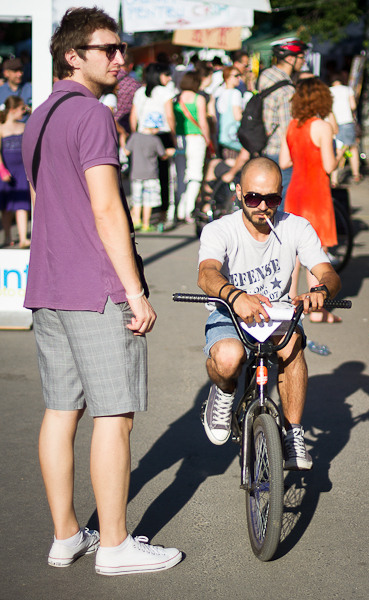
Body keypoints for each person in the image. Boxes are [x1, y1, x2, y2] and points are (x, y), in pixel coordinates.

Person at [21, 7, 182, 576]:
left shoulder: (40, 115)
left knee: (60, 410)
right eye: (108, 49)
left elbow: (42, 200)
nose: (120, 59)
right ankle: (114, 544)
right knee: (114, 415)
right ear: (73, 56)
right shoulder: (91, 114)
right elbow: (107, 207)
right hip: (96, 285)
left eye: (122, 49)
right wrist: (134, 290)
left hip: (49, 282)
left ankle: (66, 535)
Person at [197, 157, 341, 469]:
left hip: (277, 314)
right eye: (253, 198)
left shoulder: (296, 227)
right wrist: (236, 296)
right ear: (239, 192)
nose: (262, 206)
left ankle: (293, 433)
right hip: (230, 311)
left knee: (293, 346)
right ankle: (223, 392)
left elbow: (329, 274)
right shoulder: (220, 230)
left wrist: (320, 291)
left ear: (281, 195)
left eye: (272, 199)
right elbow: (206, 274)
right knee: (228, 358)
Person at [280, 77, 342, 324]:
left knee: (294, 250)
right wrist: (341, 153)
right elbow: (329, 165)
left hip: (295, 190)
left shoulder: (292, 125)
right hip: (316, 193)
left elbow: (284, 161)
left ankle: (289, 301)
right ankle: (316, 308)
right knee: (317, 251)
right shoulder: (322, 127)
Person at [257, 39, 307, 204]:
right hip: (280, 151)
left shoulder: (266, 76)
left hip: (266, 146)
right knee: (281, 202)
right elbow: (288, 129)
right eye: (301, 57)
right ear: (290, 59)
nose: (303, 62)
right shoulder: (287, 90)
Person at [130, 62, 176, 223]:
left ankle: (140, 212)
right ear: (158, 75)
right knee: (164, 175)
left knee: (143, 175)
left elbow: (133, 117)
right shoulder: (165, 92)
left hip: (142, 135)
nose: (169, 78)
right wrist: (173, 137)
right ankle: (163, 211)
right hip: (162, 135)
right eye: (166, 74)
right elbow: (169, 116)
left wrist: (135, 134)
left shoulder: (140, 92)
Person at [124, 113, 175, 231]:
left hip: (136, 174)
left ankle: (136, 220)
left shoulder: (135, 136)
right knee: (148, 200)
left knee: (137, 199)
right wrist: (169, 152)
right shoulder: (155, 140)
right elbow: (163, 155)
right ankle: (146, 224)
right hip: (151, 174)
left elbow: (126, 151)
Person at [173, 71, 211, 223]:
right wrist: (208, 139)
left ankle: (179, 210)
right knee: (195, 175)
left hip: (179, 139)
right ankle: (189, 210)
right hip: (196, 138)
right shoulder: (199, 98)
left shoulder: (176, 98)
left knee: (181, 176)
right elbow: (203, 121)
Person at [0, 95, 31, 248]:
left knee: (22, 203)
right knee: (6, 206)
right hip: (7, 170)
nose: (24, 111)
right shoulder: (1, 128)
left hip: (21, 170)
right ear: (12, 110)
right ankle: (7, 236)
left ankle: (23, 238)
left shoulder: (24, 126)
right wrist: (2, 170)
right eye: (21, 108)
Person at [329, 74, 361, 185]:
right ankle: (356, 174)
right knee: (352, 148)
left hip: (334, 122)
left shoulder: (329, 91)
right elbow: (353, 106)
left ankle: (334, 178)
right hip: (347, 121)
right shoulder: (347, 89)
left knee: (337, 149)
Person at [209, 66, 243, 160]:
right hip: (233, 136)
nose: (239, 78)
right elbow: (237, 116)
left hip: (222, 136)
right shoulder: (236, 93)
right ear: (227, 77)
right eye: (236, 76)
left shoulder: (219, 93)